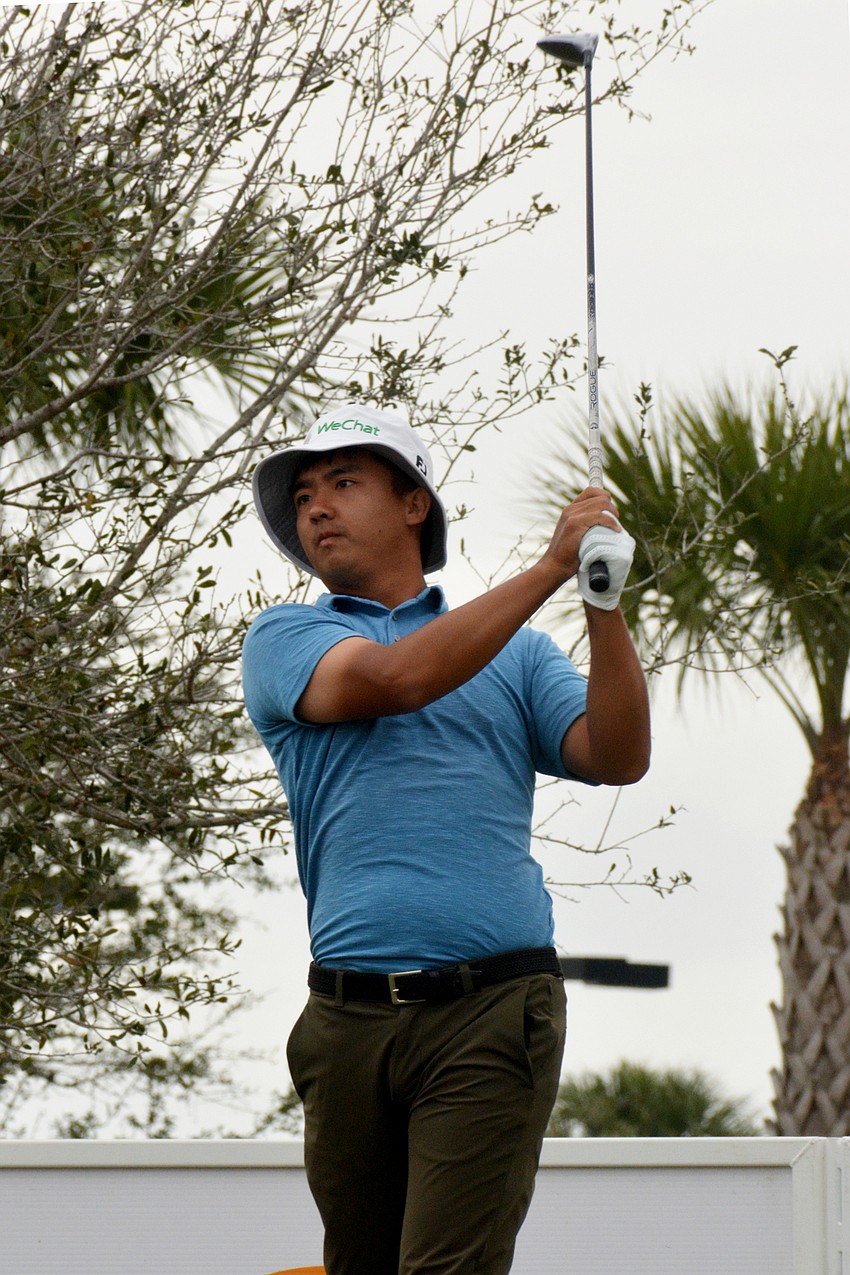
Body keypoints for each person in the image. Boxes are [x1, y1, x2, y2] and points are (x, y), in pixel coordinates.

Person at [242, 403, 650, 1275]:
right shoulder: (289, 637)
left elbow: (617, 755)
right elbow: (396, 678)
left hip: (491, 1009)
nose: (316, 507)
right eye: (304, 494)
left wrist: (601, 600)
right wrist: (548, 565)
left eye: (343, 483)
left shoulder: (520, 656)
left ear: (413, 503)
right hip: (344, 1022)